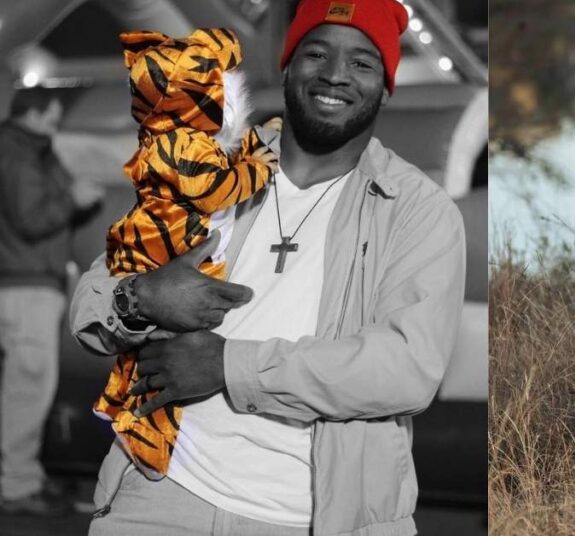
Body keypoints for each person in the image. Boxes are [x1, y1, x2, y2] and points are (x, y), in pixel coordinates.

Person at [69, 1, 466, 534]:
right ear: (288, 64)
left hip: (309, 518)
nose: (334, 75)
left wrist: (228, 365)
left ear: (387, 85)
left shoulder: (416, 210)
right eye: (317, 53)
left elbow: (405, 369)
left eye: (362, 64)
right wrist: (142, 297)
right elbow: (92, 300)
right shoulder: (205, 175)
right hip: (160, 498)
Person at [94, 27, 279, 480]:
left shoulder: (182, 136)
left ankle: (129, 415)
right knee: (162, 351)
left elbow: (227, 150)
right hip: (163, 246)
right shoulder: (175, 143)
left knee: (157, 349)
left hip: (167, 243)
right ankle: (144, 435)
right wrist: (258, 170)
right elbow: (214, 187)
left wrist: (258, 140)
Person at [0, 88, 103, 515]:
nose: (55, 126)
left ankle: (20, 478)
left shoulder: (24, 151)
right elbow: (29, 216)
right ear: (35, 115)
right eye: (52, 118)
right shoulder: (21, 154)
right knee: (28, 387)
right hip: (27, 286)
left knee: (19, 387)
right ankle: (17, 486)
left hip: (19, 282)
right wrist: (73, 200)